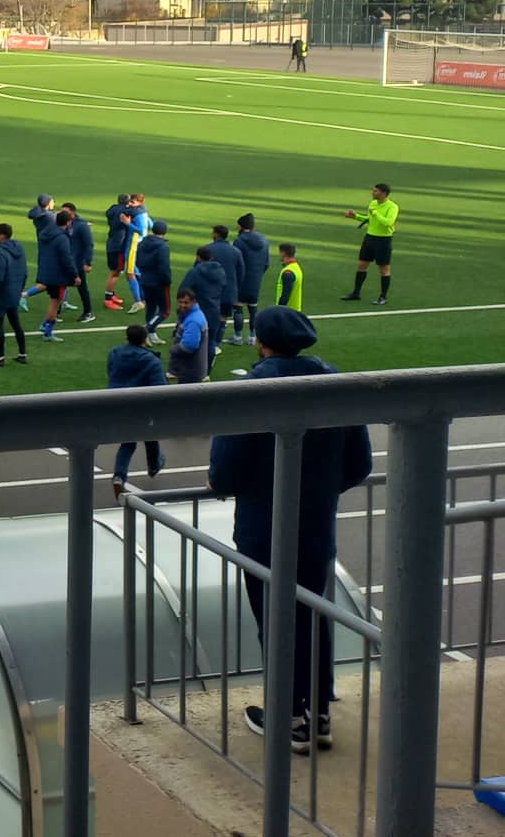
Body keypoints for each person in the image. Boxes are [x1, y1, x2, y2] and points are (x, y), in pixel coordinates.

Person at [209, 307, 372, 753]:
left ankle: (291, 717)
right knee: (312, 613)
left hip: (265, 528)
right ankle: (316, 711)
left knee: (277, 619)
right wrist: (318, 489)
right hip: (318, 525)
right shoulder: (336, 383)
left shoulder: (253, 389)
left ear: (261, 341)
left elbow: (224, 473)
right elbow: (360, 464)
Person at [106, 324, 166, 497]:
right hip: (141, 406)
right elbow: (159, 388)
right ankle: (153, 465)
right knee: (148, 433)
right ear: (144, 339)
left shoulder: (115, 353)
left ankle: (120, 476)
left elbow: (110, 373)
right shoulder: (151, 360)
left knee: (129, 442)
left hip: (116, 403)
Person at [342, 182, 398, 304]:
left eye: (375, 191)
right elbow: (369, 219)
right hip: (370, 238)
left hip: (383, 240)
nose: (372, 193)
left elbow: (388, 223)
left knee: (384, 268)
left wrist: (376, 213)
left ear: (383, 193)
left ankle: (383, 296)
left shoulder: (392, 207)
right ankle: (356, 293)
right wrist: (355, 216)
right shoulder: (373, 203)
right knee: (362, 265)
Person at [178, 245, 231, 368]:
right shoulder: (221, 271)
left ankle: (188, 368)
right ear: (211, 257)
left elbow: (183, 291)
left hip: (196, 313)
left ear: (198, 257)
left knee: (190, 340)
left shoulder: (195, 271)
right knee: (210, 342)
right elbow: (224, 288)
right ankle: (206, 371)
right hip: (214, 311)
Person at [0, 221, 29, 365]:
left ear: (2, 235)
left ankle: (0, 357)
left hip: (1, 294)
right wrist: (20, 288)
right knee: (16, 324)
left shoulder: (0, 252)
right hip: (14, 292)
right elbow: (25, 272)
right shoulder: (20, 248)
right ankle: (22, 353)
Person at [34, 207, 79, 343]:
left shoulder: (46, 234)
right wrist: (75, 275)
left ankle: (46, 325)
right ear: (68, 223)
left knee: (54, 300)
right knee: (56, 302)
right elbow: (66, 258)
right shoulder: (62, 238)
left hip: (46, 271)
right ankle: (47, 331)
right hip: (57, 275)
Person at [232, 213, 271, 342]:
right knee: (253, 307)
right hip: (256, 279)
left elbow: (235, 262)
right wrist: (258, 274)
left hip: (241, 280)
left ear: (240, 226)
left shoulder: (239, 241)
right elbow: (266, 263)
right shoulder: (264, 240)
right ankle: (252, 336)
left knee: (238, 307)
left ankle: (237, 336)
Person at [206, 226, 247, 346]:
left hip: (210, 291)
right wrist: (235, 288)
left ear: (216, 234)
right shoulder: (236, 251)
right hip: (229, 291)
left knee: (209, 316)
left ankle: (208, 343)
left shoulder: (207, 249)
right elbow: (241, 273)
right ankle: (216, 344)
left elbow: (198, 268)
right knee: (223, 318)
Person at [136, 221, 174, 339]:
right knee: (165, 311)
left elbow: (137, 261)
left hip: (145, 279)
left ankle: (152, 335)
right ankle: (147, 329)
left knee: (151, 307)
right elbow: (164, 267)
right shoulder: (163, 246)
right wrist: (167, 280)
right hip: (159, 282)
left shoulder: (142, 243)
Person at [60, 202, 97, 321]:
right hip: (67, 261)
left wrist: (88, 262)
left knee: (82, 288)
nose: (63, 214)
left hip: (78, 263)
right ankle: (57, 312)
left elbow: (89, 244)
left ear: (73, 212)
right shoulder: (64, 224)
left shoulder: (81, 225)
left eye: (65, 212)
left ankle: (88, 312)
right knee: (60, 285)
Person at [101, 195, 136, 310]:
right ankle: (108, 299)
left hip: (111, 243)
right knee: (115, 273)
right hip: (118, 246)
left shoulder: (113, 208)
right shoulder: (124, 211)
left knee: (115, 271)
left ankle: (112, 295)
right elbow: (137, 211)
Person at [168, 288, 209, 385]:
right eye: (180, 302)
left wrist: (173, 349)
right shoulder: (190, 315)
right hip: (191, 367)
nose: (182, 305)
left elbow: (189, 346)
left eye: (186, 303)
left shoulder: (193, 321)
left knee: (186, 398)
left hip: (191, 369)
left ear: (193, 302)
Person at [274, 242, 305, 310]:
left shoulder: (288, 272)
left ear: (283, 253)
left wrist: (279, 309)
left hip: (287, 312)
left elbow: (286, 295)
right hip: (295, 310)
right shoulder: (297, 267)